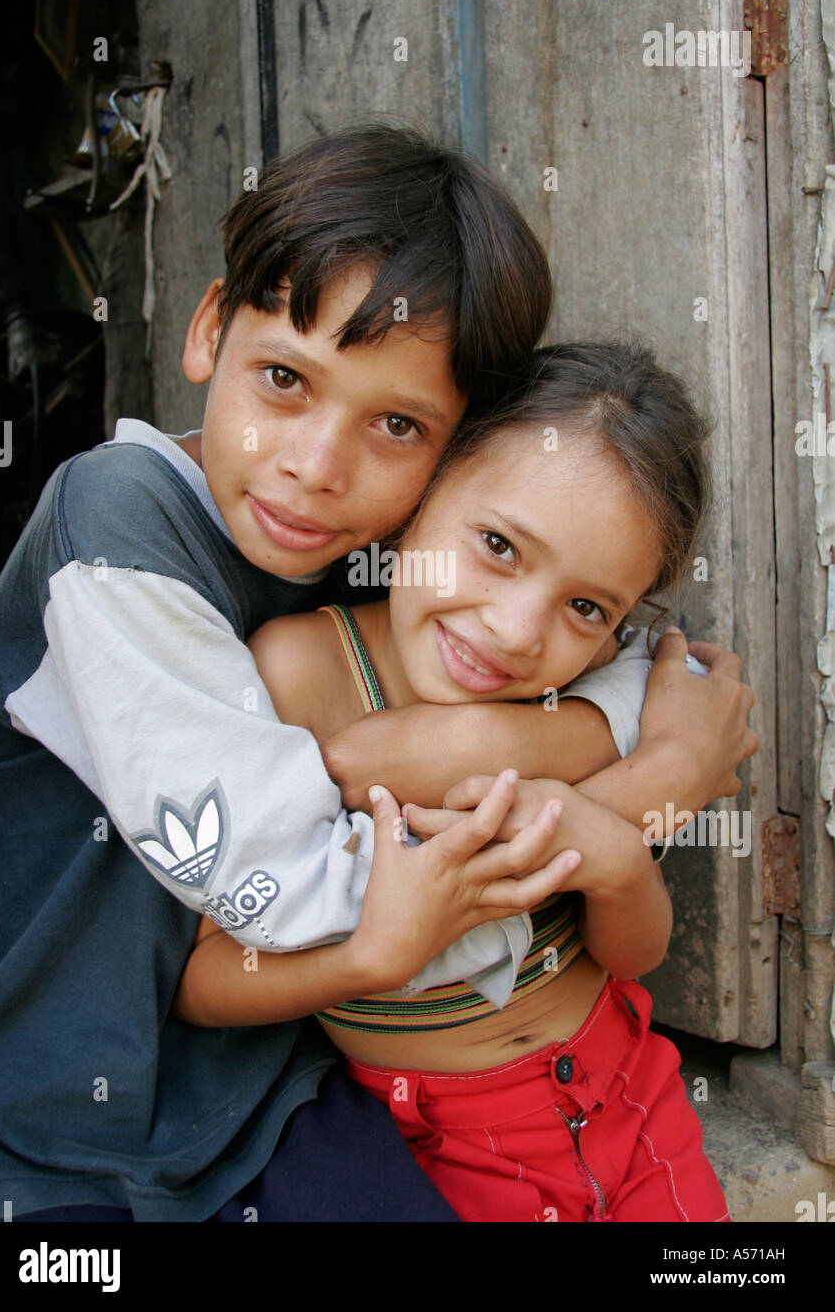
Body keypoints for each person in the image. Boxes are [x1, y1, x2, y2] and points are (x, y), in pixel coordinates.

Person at [0, 121, 755, 1222]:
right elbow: (309, 886)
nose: (316, 466)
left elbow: (637, 676)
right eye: (283, 379)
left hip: (275, 1086)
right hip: (57, 1116)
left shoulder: (386, 557)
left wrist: (468, 743)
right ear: (206, 330)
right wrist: (645, 782)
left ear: (453, 451)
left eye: (395, 423)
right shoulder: (114, 531)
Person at [177, 342, 740, 1222]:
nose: (519, 633)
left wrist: (623, 863)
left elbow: (633, 955)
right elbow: (204, 977)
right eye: (498, 546)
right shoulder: (301, 675)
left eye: (587, 606)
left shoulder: (591, 683)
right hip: (438, 1145)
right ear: (423, 489)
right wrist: (373, 954)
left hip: (635, 1104)